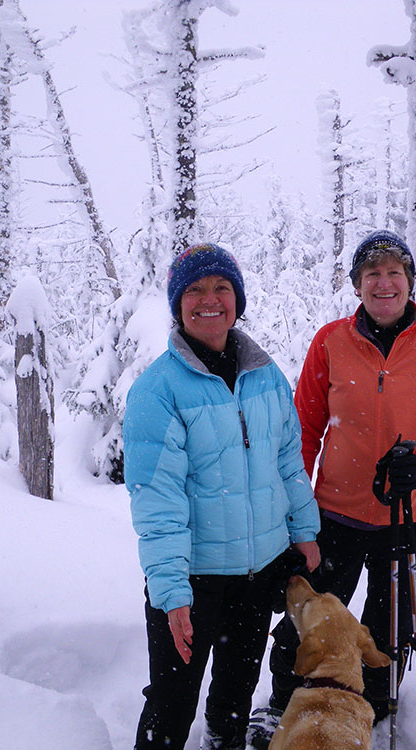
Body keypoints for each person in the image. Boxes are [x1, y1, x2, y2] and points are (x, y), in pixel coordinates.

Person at [247, 230, 416, 749]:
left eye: (394, 272)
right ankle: (281, 706)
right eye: (372, 274)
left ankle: (362, 718)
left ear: (410, 283)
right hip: (335, 515)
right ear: (357, 286)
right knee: (307, 617)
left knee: (388, 634)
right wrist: (292, 505)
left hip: (410, 517)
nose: (384, 283)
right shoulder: (331, 341)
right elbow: (303, 430)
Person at [124, 242, 321, 750]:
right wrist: (171, 591)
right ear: (177, 305)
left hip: (257, 574)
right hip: (193, 577)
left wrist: (304, 531)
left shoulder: (264, 374)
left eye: (221, 288)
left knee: (235, 693)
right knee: (171, 701)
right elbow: (157, 501)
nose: (209, 300)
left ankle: (224, 741)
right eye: (194, 290)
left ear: (237, 300)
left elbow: (287, 462)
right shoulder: (158, 389)